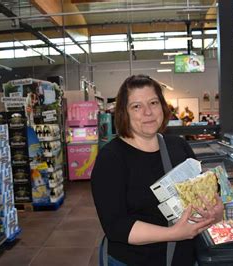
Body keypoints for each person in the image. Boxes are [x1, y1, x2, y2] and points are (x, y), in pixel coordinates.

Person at [91, 74, 224, 266]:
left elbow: (201, 195)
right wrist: (173, 234)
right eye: (136, 106)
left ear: (162, 106)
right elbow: (117, 226)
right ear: (123, 113)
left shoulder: (179, 146)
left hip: (184, 259)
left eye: (153, 103)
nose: (148, 112)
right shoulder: (111, 159)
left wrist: (215, 213)